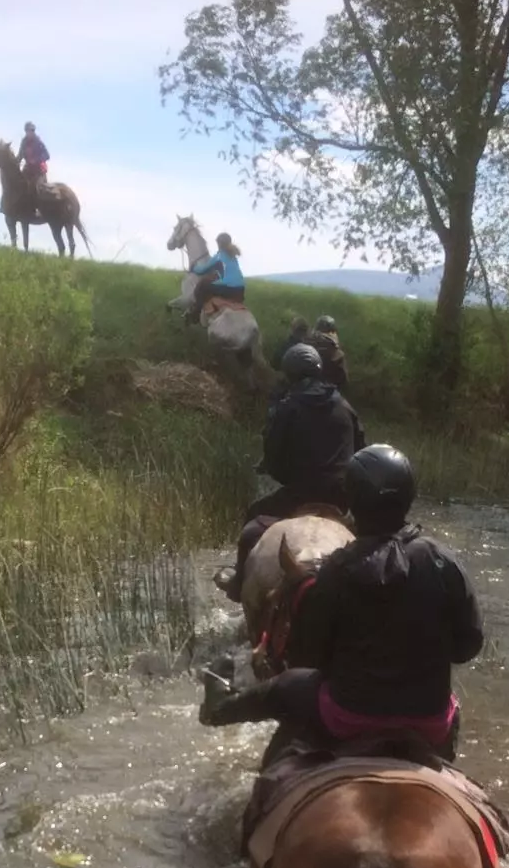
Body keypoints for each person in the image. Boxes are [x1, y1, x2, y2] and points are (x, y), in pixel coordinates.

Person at [200, 445, 483, 761]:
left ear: (352, 501)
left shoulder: (337, 569)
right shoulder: (444, 560)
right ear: (409, 496)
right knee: (452, 713)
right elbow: (468, 646)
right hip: (429, 722)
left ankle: (219, 709)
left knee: (283, 687)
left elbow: (309, 658)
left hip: (347, 717)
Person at [218, 342, 366, 601]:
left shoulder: (287, 406)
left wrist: (281, 473)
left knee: (253, 521)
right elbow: (362, 448)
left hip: (301, 493)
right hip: (342, 496)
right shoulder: (344, 405)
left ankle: (239, 581)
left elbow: (274, 458)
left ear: (289, 373)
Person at [186, 233, 245, 324]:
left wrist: (193, 267)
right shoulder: (233, 255)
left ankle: (196, 314)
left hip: (228, 288)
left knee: (203, 284)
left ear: (219, 244)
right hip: (240, 290)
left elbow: (202, 270)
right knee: (212, 283)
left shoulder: (218, 256)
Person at [308, 314, 348, 391]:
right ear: (333, 332)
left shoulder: (306, 347)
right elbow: (343, 381)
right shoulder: (337, 354)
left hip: (307, 391)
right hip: (329, 393)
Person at [19, 122, 51, 190]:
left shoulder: (38, 142)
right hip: (28, 169)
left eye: (32, 130)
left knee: (38, 189)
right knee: (19, 183)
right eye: (29, 130)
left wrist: (36, 160)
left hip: (39, 170)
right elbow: (20, 155)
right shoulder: (24, 142)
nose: (31, 132)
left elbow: (47, 155)